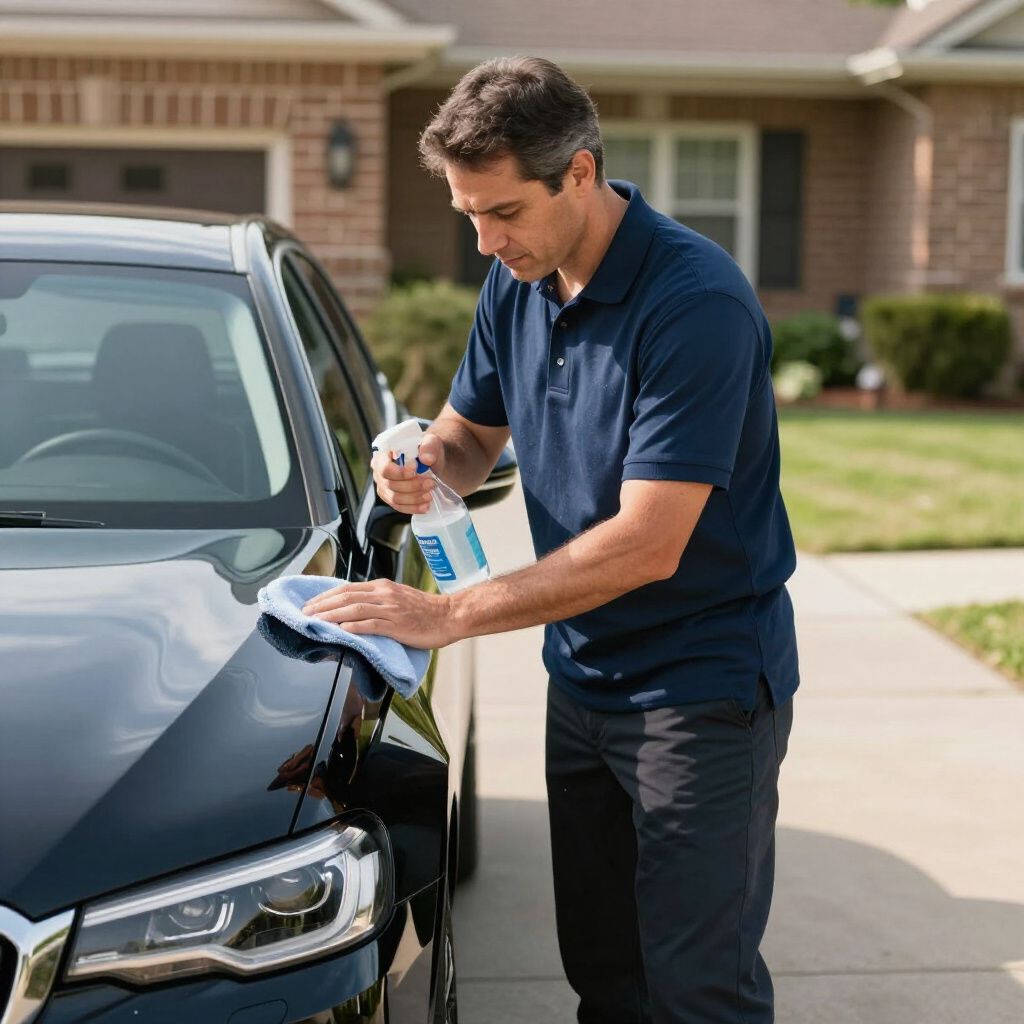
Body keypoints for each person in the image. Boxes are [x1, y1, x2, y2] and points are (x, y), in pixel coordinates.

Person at [303, 56, 799, 1024]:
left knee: (696, 988)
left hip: (698, 689)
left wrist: (445, 614)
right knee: (606, 976)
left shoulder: (693, 303)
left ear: (578, 172)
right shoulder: (519, 278)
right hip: (583, 675)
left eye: (503, 212)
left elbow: (648, 543)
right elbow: (469, 434)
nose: (485, 241)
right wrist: (419, 464)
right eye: (467, 215)